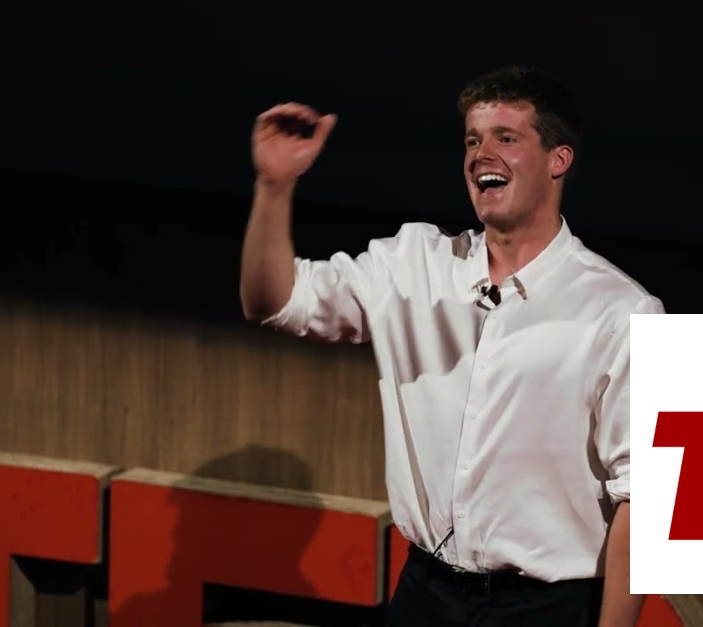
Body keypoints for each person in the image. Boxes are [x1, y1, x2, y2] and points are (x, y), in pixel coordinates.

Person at [239, 66, 665, 627]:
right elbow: (272, 302)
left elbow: (642, 498)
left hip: (547, 608)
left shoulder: (620, 310)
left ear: (558, 160)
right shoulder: (411, 264)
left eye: (506, 138)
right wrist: (274, 188)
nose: (481, 154)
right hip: (426, 593)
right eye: (471, 141)